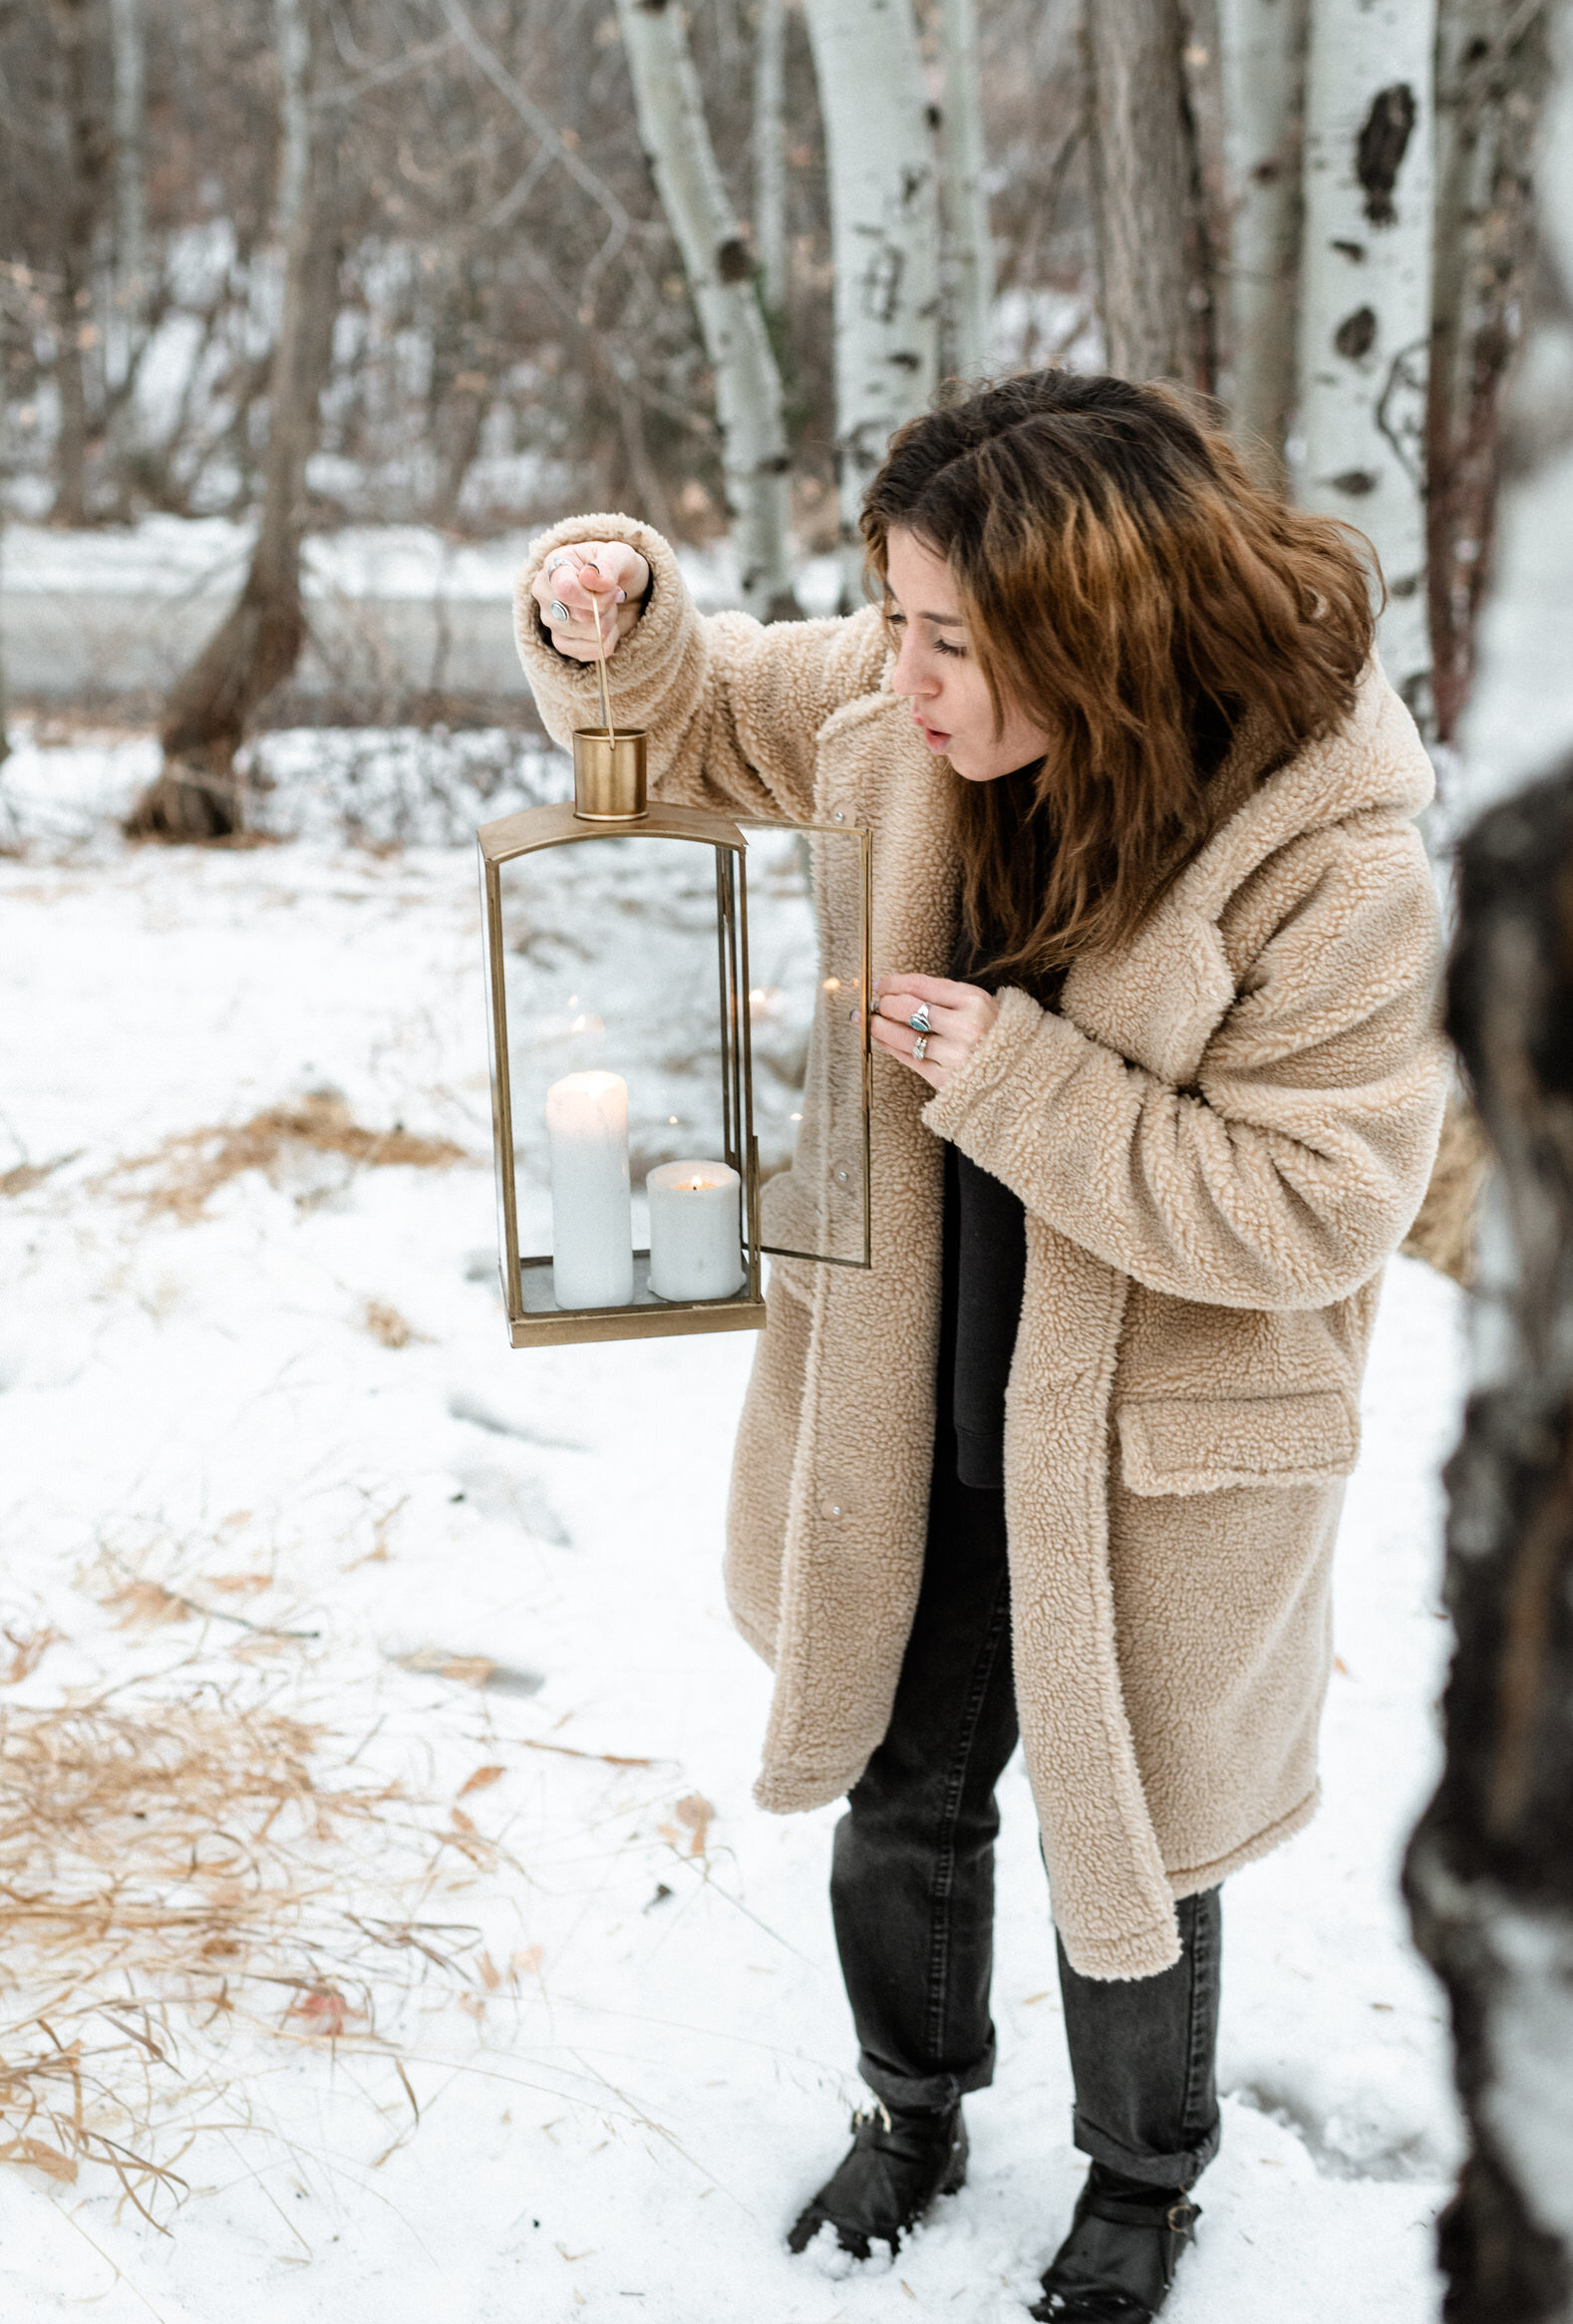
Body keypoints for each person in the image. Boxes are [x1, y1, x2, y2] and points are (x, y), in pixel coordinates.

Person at [512, 372, 1444, 2322]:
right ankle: (911, 2106)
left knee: (1135, 1832)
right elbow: (686, 722)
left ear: (1092, 635)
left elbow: (1315, 1201)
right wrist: (613, 616)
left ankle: (1138, 2183)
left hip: (1152, 1448)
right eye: (899, 619)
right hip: (912, 1389)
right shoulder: (899, 701)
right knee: (901, 1784)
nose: (906, 671)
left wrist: (1015, 1082)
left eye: (949, 637)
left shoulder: (1322, 847)